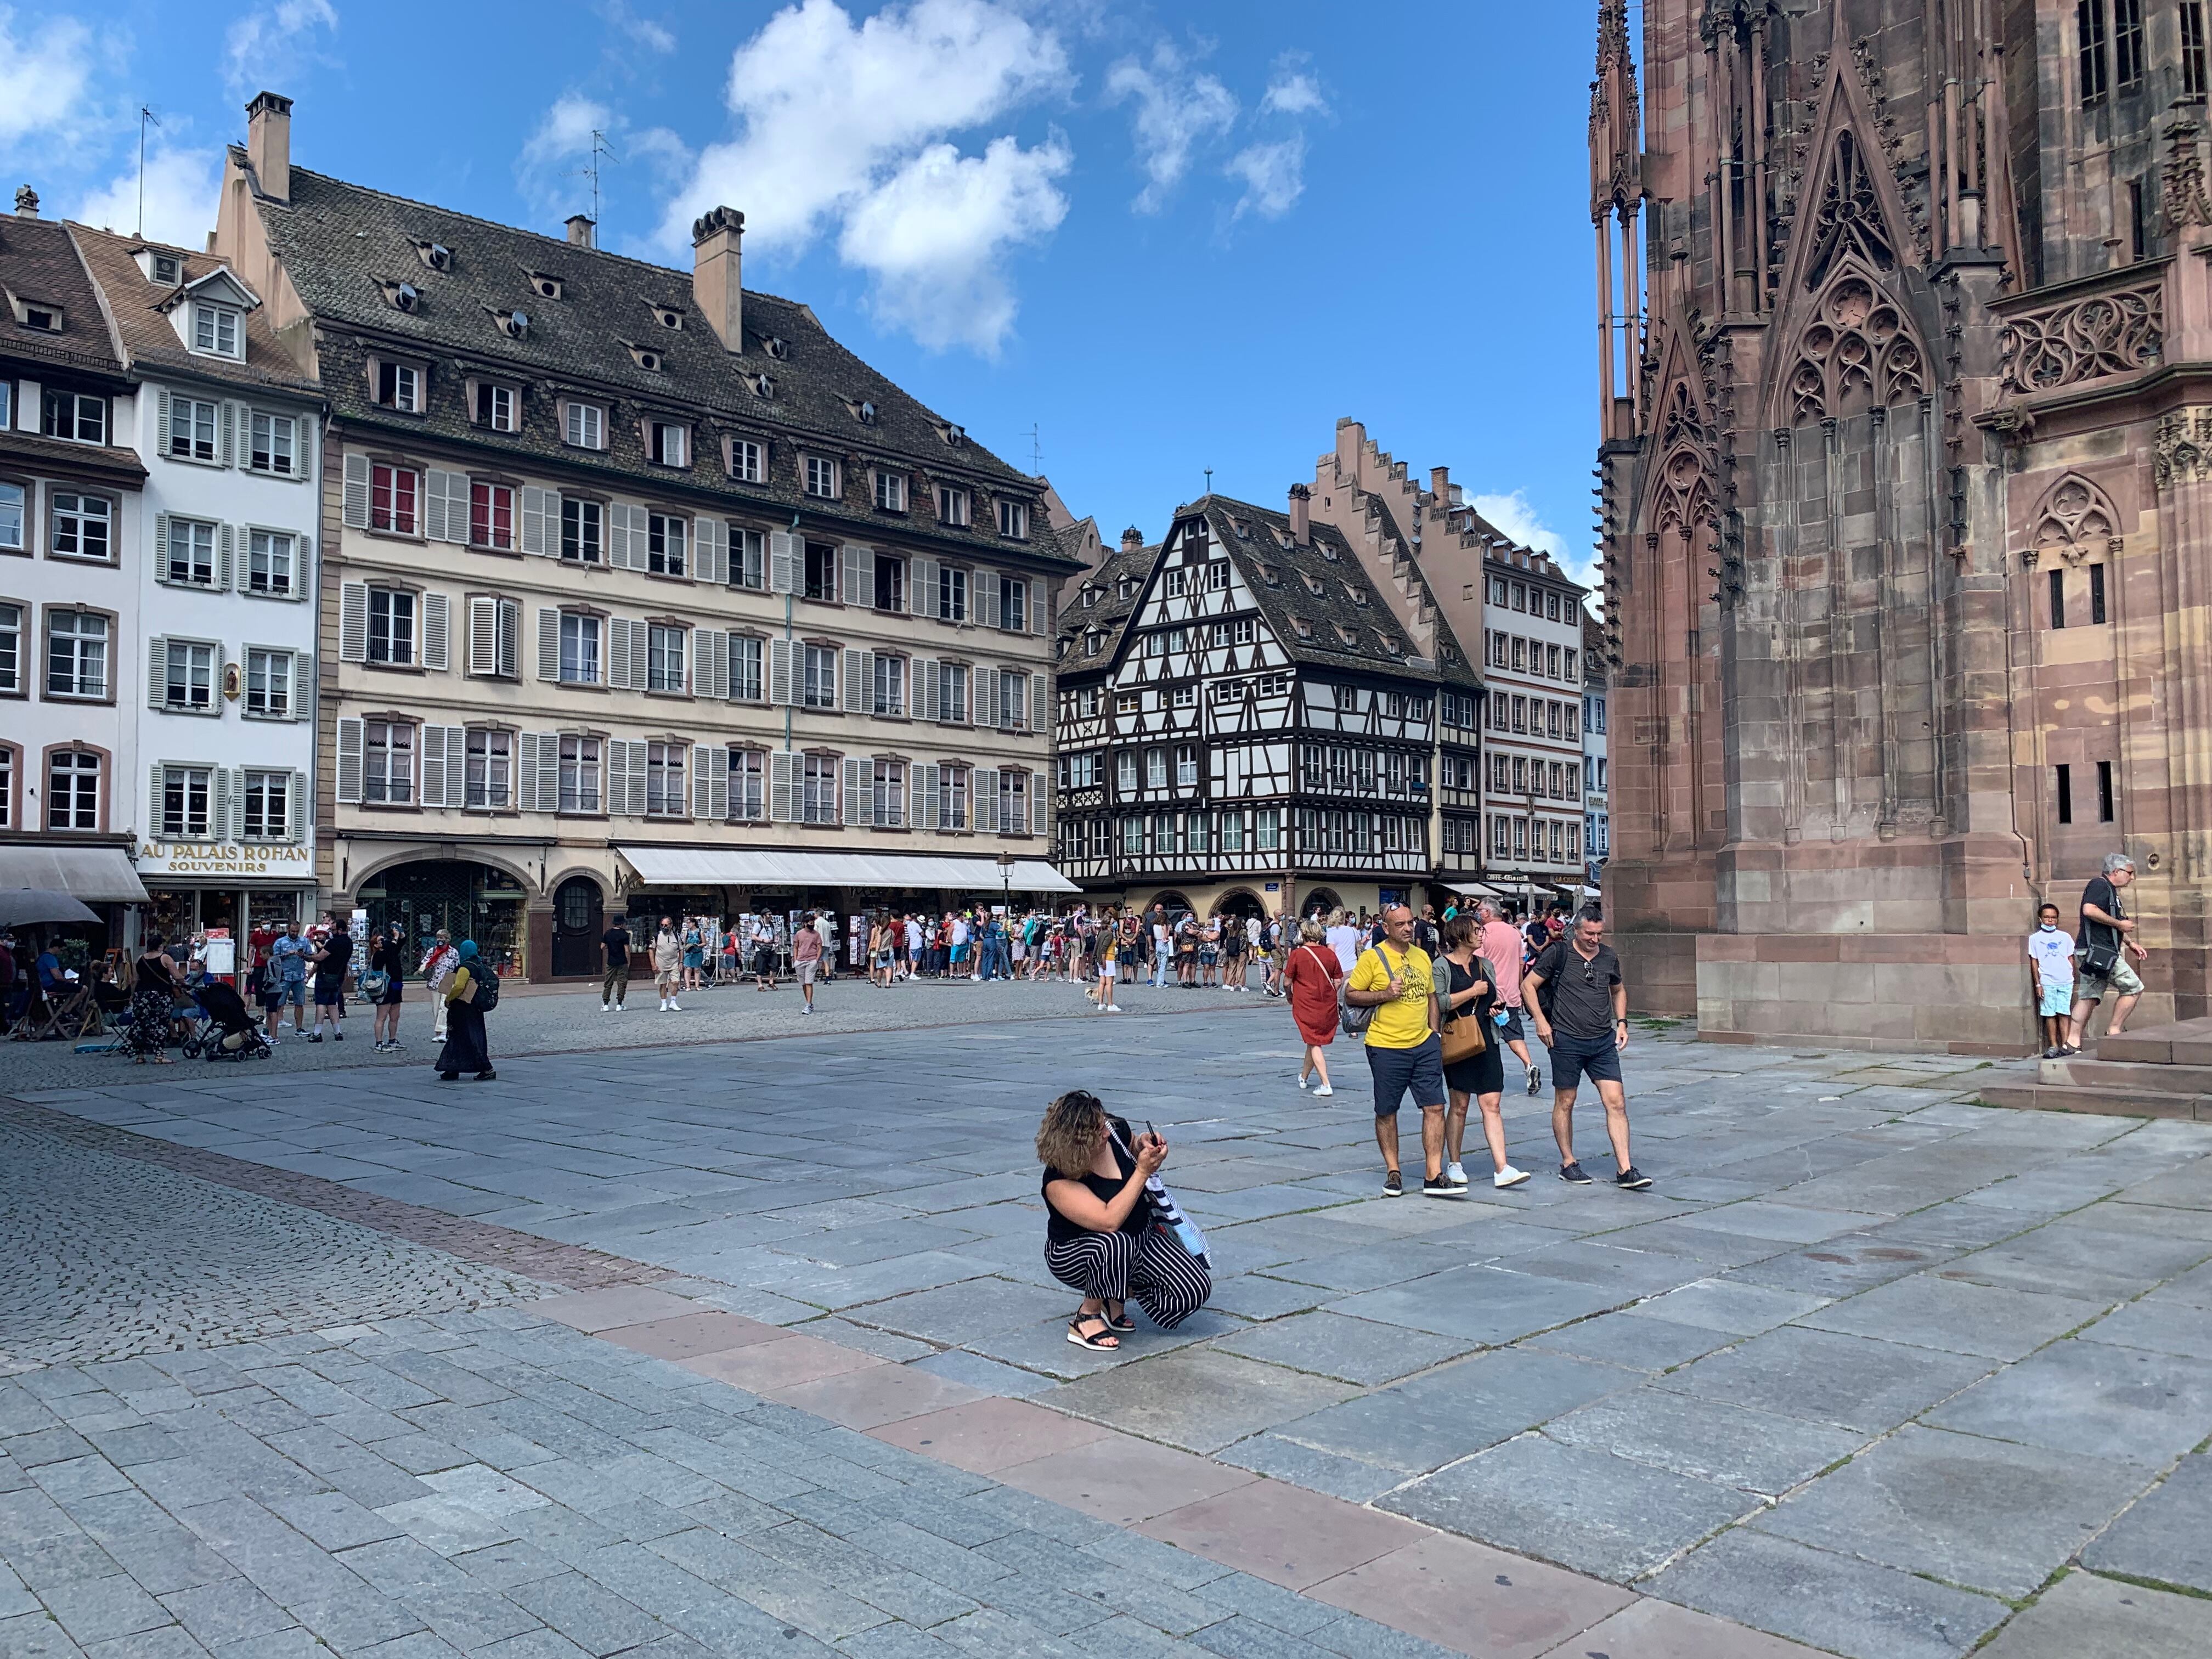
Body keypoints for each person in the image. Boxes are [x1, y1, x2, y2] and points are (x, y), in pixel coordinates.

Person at [1035, 1089, 1210, 1350]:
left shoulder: (1113, 1131)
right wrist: (1142, 1171)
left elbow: (1130, 1144)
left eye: (1103, 1123)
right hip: (1079, 1252)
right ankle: (1087, 1317)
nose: (1106, 1131)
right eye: (1097, 1131)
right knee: (1115, 1242)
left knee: (1192, 1289)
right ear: (1077, 1143)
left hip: (1140, 1238)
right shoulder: (1059, 1181)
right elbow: (1109, 1221)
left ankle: (1111, 1293)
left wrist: (1143, 1144)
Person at [1524, 907, 1647, 1190]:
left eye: (1599, 934)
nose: (1595, 939)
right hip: (1566, 1039)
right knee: (1566, 1101)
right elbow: (1528, 985)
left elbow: (1618, 989)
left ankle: (1625, 1169)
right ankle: (1568, 1163)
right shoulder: (1559, 953)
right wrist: (1542, 1023)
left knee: (1616, 1101)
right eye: (1589, 933)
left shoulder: (1608, 956)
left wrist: (1623, 1023)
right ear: (1576, 930)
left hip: (1603, 1040)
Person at [1345, 904, 1450, 1196]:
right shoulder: (1372, 957)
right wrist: (1384, 993)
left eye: (1411, 922)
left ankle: (1434, 1173)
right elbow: (1351, 994)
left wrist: (1434, 1033)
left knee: (1435, 1107)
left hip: (1423, 1044)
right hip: (1386, 1045)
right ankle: (1394, 1171)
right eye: (1400, 924)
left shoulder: (1422, 956)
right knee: (1387, 1110)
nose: (1408, 928)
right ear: (1386, 928)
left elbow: (1431, 995)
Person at [1437, 915, 1530, 1188]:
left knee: (1492, 1104)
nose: (1481, 935)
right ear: (1460, 935)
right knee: (1460, 1106)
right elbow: (1439, 1002)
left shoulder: (1485, 964)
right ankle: (1454, 1163)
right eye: (1477, 931)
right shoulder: (1442, 966)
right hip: (1458, 1041)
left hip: (1487, 1039)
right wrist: (1472, 992)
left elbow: (1489, 996)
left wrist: (1495, 1004)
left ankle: (1502, 1167)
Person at [2069, 853, 2149, 1049]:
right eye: (2130, 873)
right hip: (2100, 952)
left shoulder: (2109, 890)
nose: (2132, 878)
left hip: (2093, 951)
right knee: (2133, 987)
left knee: (2089, 996)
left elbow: (2116, 924)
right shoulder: (2099, 885)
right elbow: (2089, 910)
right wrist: (2119, 924)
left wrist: (2131, 943)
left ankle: (2071, 1043)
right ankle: (2114, 1031)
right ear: (2116, 871)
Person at [1477, 900, 1542, 1095]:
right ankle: (1529, 1064)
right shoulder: (1515, 932)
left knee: (1484, 1035)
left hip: (1490, 994)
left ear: (1488, 913)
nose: (1477, 914)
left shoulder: (1484, 933)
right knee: (1513, 1033)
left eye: (1480, 911)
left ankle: (1487, 1075)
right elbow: (1522, 964)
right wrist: (1520, 989)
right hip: (1511, 993)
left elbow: (1479, 963)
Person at [1284, 918, 1344, 1096]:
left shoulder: (1298, 954)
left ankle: (1326, 1084)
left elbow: (1287, 980)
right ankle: (1303, 1077)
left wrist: (1289, 994)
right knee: (1313, 1041)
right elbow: (1338, 980)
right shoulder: (1329, 954)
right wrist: (1331, 993)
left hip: (1305, 1003)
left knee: (1313, 1041)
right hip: (1326, 1004)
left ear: (1303, 934)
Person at [435, 940, 495, 1081]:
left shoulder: (465, 967)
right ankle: (452, 1068)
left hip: (463, 1009)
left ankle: (486, 1068)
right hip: (475, 1008)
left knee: (465, 1037)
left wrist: (449, 999)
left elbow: (459, 987)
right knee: (466, 1037)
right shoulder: (479, 965)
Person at [2027, 902, 2075, 1059]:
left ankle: (2066, 1044)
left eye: (2053, 918)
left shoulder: (2065, 937)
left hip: (2065, 980)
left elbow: (2070, 957)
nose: (2050, 920)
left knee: (2064, 1013)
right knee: (2050, 1014)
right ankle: (2054, 1045)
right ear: (2040, 918)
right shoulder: (2035, 939)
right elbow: (2034, 961)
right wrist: (2038, 983)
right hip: (2047, 981)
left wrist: (2070, 972)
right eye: (2047, 917)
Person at [121, 935, 178, 1063]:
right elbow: (177, 975)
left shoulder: (140, 959)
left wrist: (133, 994)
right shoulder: (165, 958)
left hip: (142, 995)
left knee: (141, 1024)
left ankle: (140, 1056)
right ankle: (159, 1056)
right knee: (160, 1024)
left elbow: (135, 979)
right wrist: (183, 983)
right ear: (160, 946)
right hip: (161, 995)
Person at [305, 914, 351, 1043]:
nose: (331, 932)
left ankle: (317, 1033)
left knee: (321, 1004)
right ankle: (338, 1033)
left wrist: (306, 957)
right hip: (338, 976)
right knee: (332, 1004)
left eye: (334, 930)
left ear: (340, 931)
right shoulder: (349, 942)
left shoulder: (334, 943)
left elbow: (320, 958)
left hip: (325, 976)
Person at [370, 923, 408, 1052]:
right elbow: (393, 947)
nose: (384, 941)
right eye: (381, 941)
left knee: (395, 1016)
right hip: (385, 989)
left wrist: (399, 932)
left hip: (396, 986)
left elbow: (401, 943)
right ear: (376, 945)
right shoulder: (379, 955)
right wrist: (395, 937)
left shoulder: (391, 951)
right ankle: (379, 1043)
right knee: (382, 1017)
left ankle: (392, 1041)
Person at [420, 930, 458, 1039]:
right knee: (436, 1008)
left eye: (443, 937)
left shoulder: (453, 952)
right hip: (434, 982)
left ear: (448, 939)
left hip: (447, 982)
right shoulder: (432, 951)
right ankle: (438, 1032)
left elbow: (457, 966)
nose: (440, 939)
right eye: (438, 937)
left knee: (444, 1006)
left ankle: (443, 1032)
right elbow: (424, 963)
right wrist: (429, 963)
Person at [793, 914, 823, 1014]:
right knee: (803, 984)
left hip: (812, 960)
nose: (812, 925)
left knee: (809, 982)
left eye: (813, 923)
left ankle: (808, 1005)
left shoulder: (816, 935)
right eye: (811, 923)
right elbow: (796, 947)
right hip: (800, 961)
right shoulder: (799, 934)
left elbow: (820, 947)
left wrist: (817, 959)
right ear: (805, 924)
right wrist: (796, 959)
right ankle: (809, 1003)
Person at [601, 916, 631, 1011]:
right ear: (622, 924)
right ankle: (619, 1004)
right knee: (622, 983)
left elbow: (602, 946)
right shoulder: (624, 934)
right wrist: (629, 961)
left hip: (611, 961)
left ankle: (606, 1004)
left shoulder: (608, 933)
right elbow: (627, 950)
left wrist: (610, 947)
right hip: (622, 961)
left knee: (608, 982)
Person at [654, 918, 684, 1012]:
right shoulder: (657, 936)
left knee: (676, 982)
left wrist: (681, 962)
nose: (664, 927)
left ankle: (673, 1002)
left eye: (666, 925)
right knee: (663, 984)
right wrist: (653, 964)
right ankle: (663, 1004)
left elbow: (681, 949)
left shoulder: (676, 936)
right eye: (662, 925)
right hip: (661, 963)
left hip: (674, 963)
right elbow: (651, 950)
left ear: (671, 925)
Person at [1325, 908, 1362, 977]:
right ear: (1344, 918)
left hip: (1340, 969)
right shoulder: (1353, 930)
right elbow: (1360, 945)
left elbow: (1331, 954)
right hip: (1354, 967)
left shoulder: (1331, 933)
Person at [681, 919, 706, 993]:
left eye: (689, 923)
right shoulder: (687, 932)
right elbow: (684, 943)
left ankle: (697, 986)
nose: (688, 924)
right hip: (688, 952)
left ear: (694, 923)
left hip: (697, 952)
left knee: (697, 969)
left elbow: (704, 943)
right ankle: (688, 986)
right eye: (687, 923)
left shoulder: (700, 932)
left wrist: (698, 945)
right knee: (688, 969)